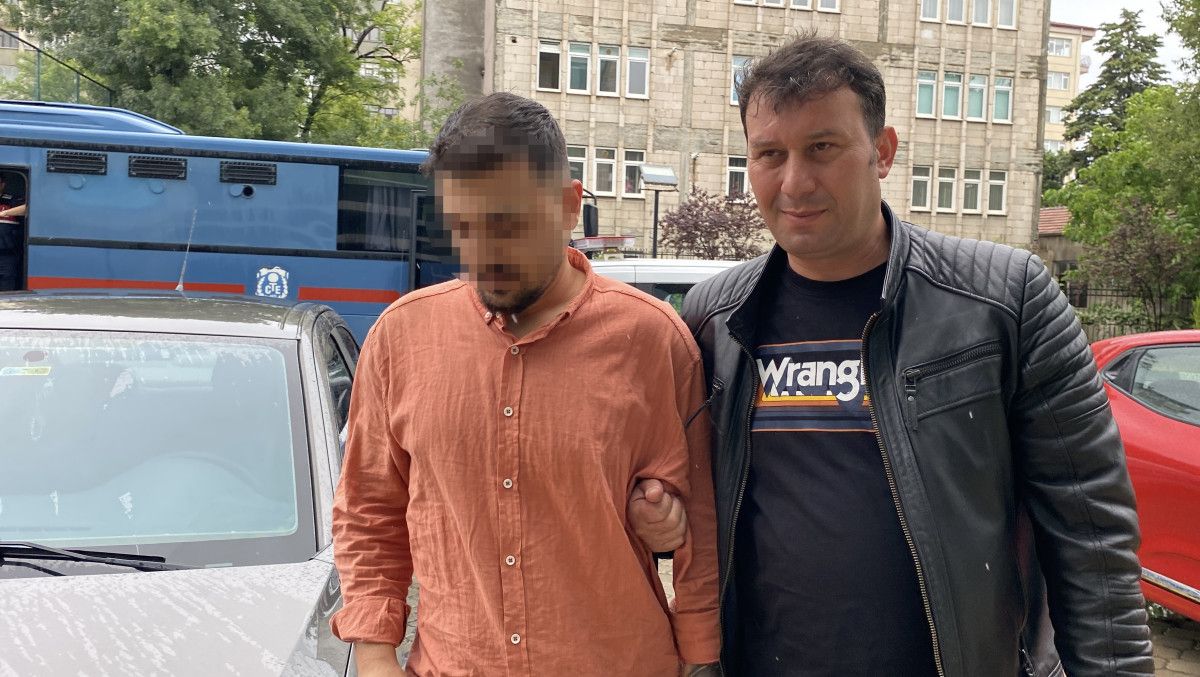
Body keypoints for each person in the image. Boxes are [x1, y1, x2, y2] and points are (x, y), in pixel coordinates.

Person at [628, 33, 1153, 676]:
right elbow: (688, 507)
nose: (794, 182)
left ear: (883, 151)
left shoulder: (1004, 301)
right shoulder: (716, 317)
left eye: (822, 147)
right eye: (770, 154)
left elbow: (1090, 530)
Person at [330, 92, 721, 677]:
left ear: (568, 206)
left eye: (507, 225)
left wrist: (700, 657)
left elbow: (700, 530)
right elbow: (368, 511)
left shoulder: (652, 340)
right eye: (463, 227)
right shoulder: (400, 339)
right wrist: (374, 655)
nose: (483, 254)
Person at [0, 173, 26, 291]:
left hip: (7, 254)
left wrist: (5, 213)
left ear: (2, 185)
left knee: (7, 286)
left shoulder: (11, 200)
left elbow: (28, 208)